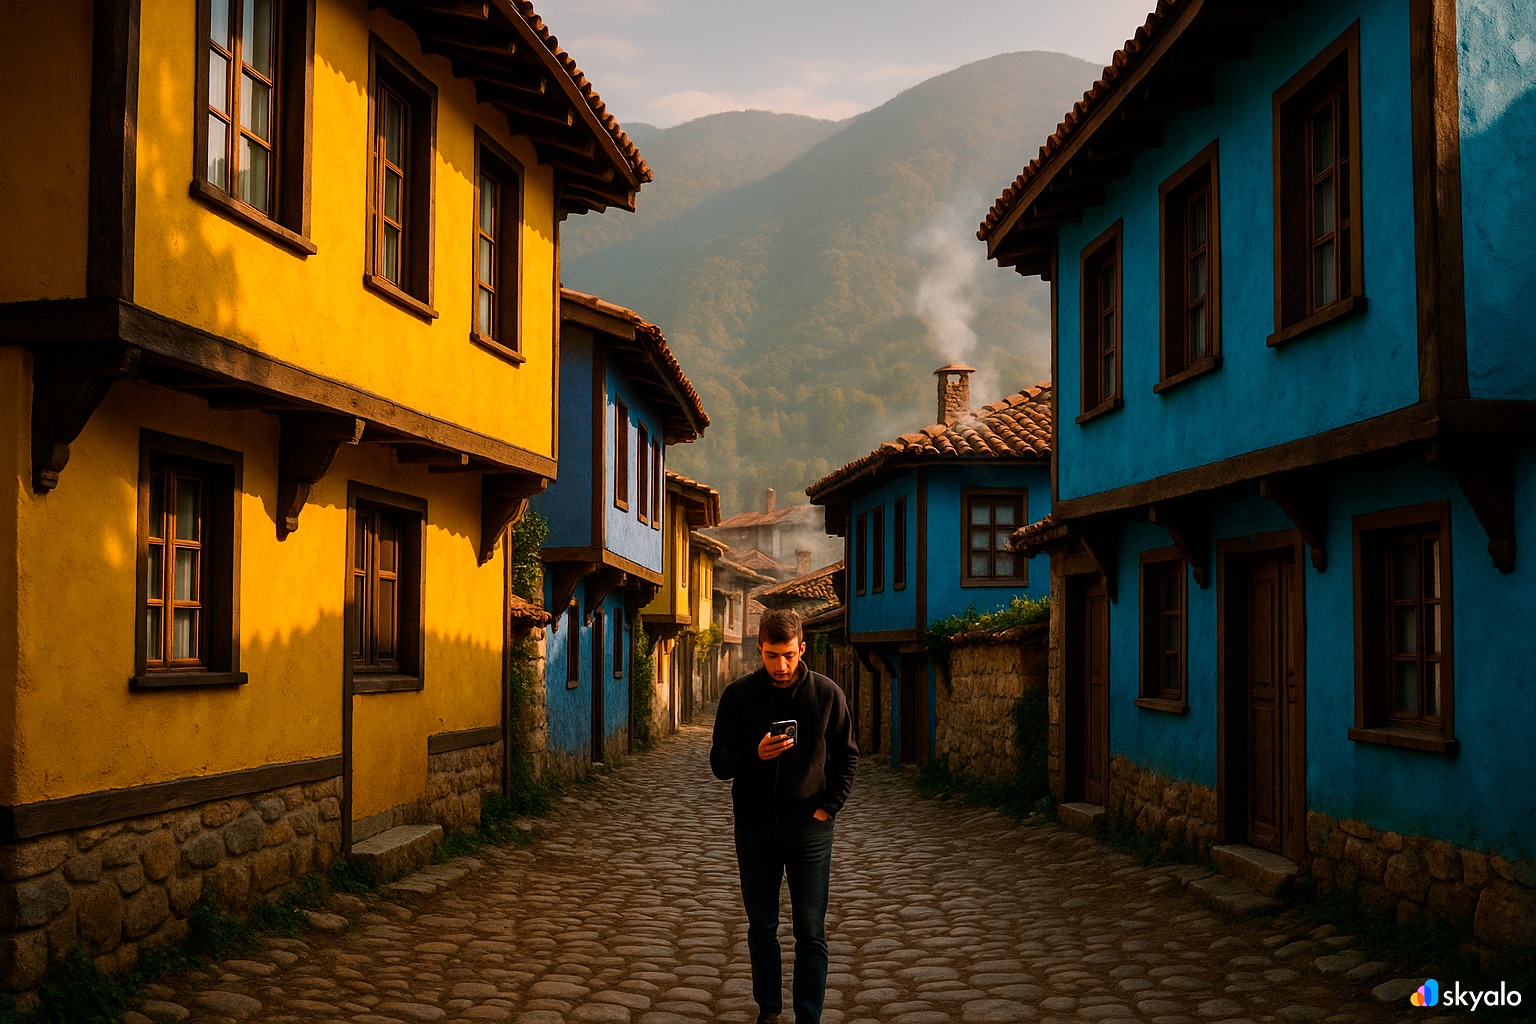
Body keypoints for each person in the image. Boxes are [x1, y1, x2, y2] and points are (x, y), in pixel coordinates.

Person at [710, 608, 858, 1024]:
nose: (781, 665)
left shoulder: (827, 694)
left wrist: (827, 809)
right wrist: (754, 754)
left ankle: (808, 1016)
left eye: (789, 655)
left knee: (810, 930)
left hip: (809, 828)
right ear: (759, 649)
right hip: (754, 828)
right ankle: (769, 1011)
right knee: (762, 928)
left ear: (802, 649)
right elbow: (720, 763)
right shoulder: (738, 696)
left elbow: (847, 757)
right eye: (772, 655)